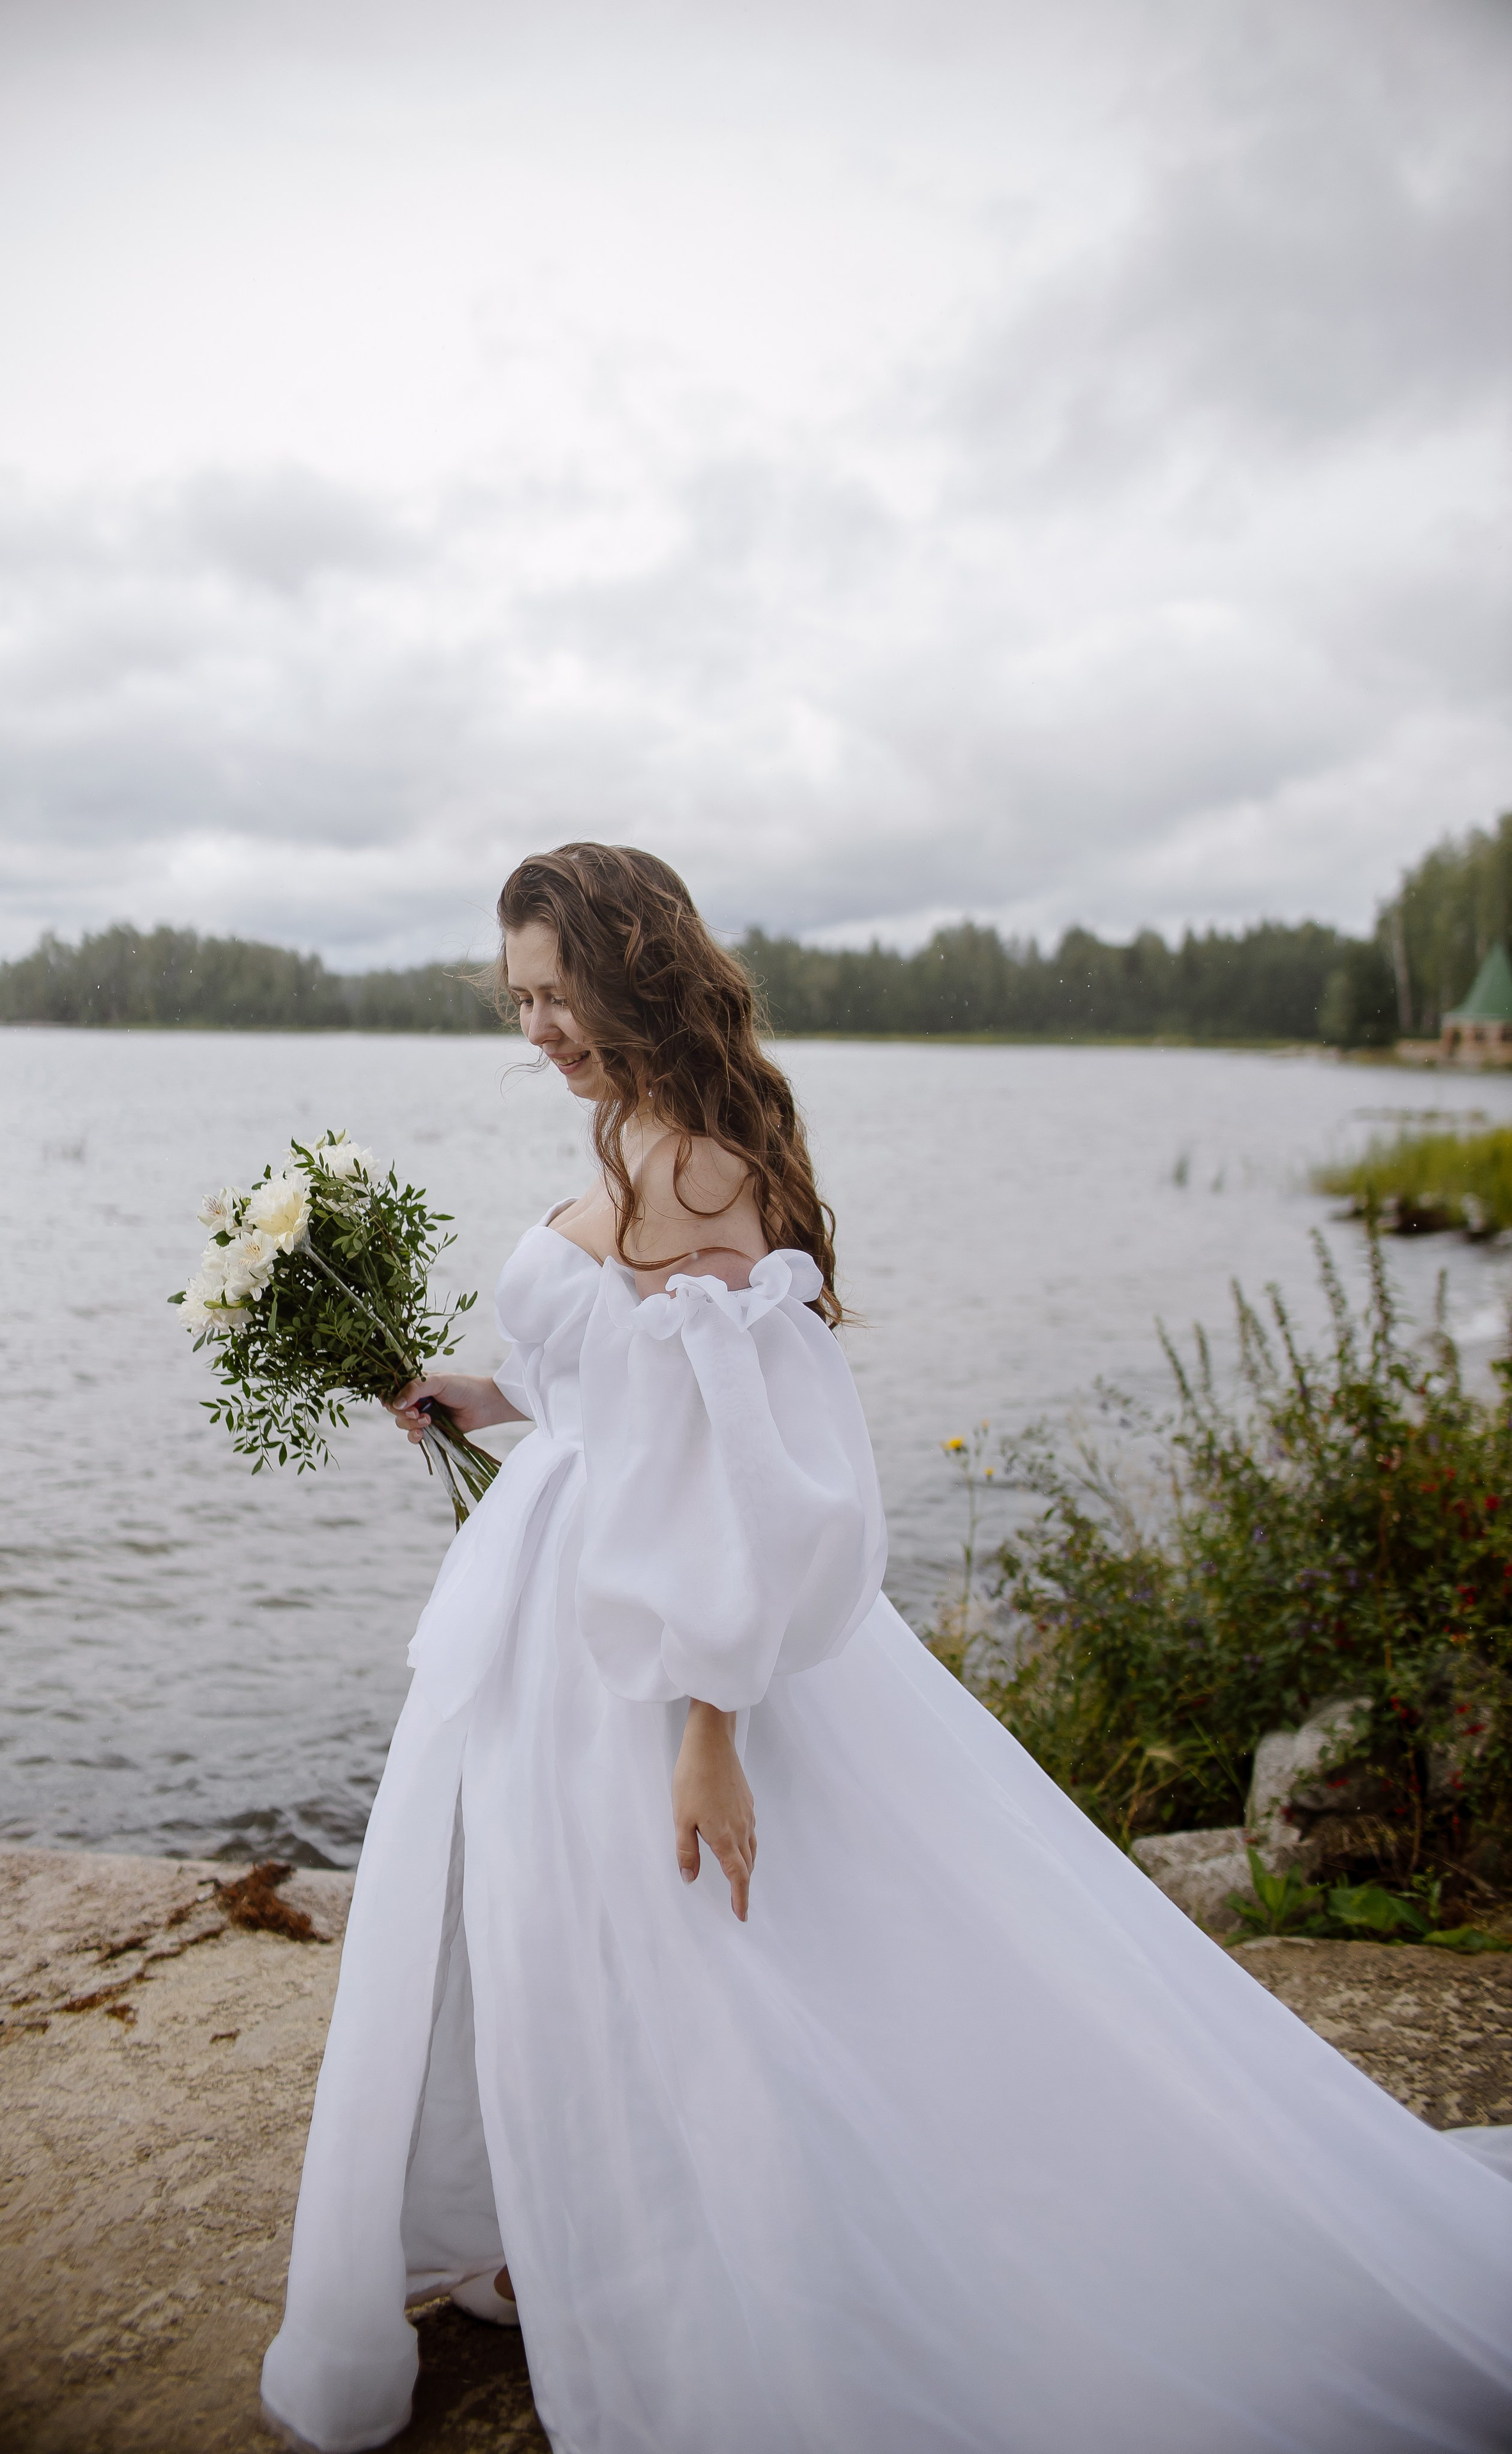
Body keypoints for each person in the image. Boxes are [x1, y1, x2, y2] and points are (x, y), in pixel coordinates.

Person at [262, 844, 1512, 2454]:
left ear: (633, 973)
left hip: (661, 1643)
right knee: (565, 1935)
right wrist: (485, 1391)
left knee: (703, 1963)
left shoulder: (694, 1161)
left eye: (556, 996)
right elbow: (618, 1394)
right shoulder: (636, 1127)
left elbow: (738, 1476)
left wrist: (711, 1726)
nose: (538, 1031)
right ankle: (569, 2223)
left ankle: (729, 2272)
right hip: (571, 1604)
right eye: (516, 1003)